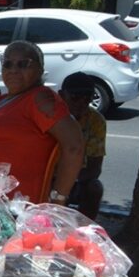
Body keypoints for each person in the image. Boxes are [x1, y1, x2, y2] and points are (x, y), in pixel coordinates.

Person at [0, 40, 84, 204]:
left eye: (23, 64)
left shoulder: (40, 98)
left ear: (40, 68)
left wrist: (58, 199)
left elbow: (74, 145)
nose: (14, 70)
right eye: (8, 64)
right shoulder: (4, 99)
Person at [58, 72, 105, 219]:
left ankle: (85, 231)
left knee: (95, 188)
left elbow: (95, 166)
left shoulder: (95, 120)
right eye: (75, 97)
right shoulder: (50, 115)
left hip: (79, 177)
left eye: (87, 98)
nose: (81, 103)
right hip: (50, 174)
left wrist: (73, 181)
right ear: (61, 95)